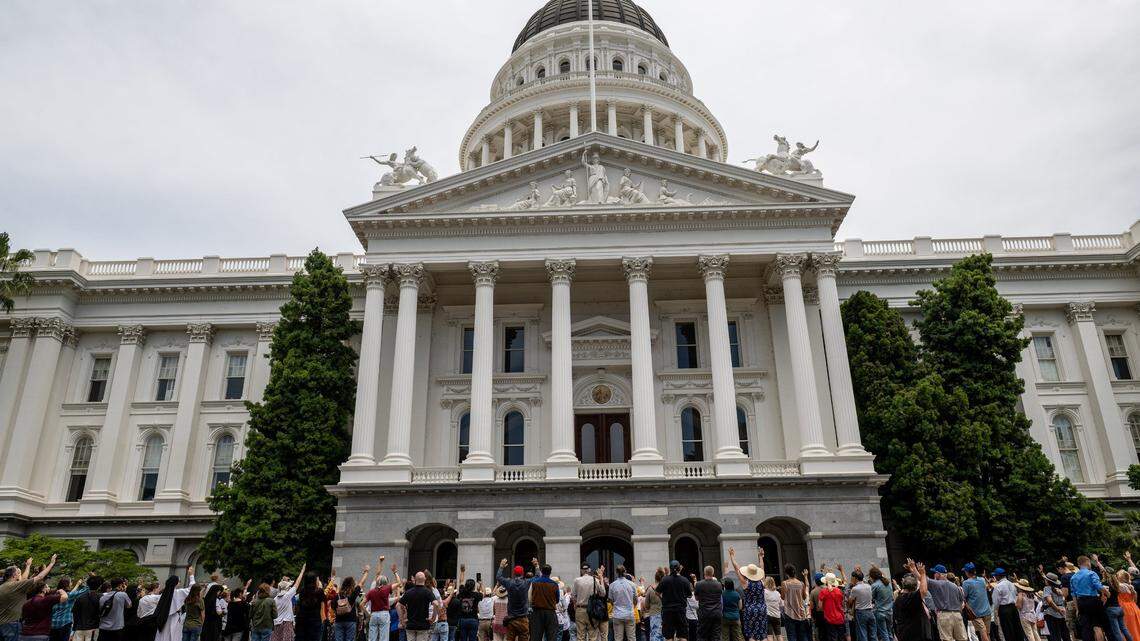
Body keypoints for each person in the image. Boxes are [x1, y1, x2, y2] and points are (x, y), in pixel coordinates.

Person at [0, 555, 59, 641]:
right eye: (19, 573)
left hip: (2, 624)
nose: (20, 575)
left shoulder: (3, 586)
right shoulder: (15, 586)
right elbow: (39, 577)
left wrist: (28, 566)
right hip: (12, 625)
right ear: (14, 575)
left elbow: (23, 580)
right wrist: (51, 563)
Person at [727, 549, 766, 641]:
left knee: (751, 634)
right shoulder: (762, 582)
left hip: (750, 609)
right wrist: (760, 557)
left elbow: (737, 569)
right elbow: (762, 568)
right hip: (762, 608)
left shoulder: (746, 583)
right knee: (762, 634)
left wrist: (732, 556)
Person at [1071, 556, 1110, 641]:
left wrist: (1077, 609)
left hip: (1081, 602)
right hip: (1093, 601)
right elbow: (1098, 586)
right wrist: (1107, 593)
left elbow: (1073, 595)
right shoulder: (1091, 573)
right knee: (1097, 626)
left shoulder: (1073, 577)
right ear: (1087, 562)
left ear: (1078, 564)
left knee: (1086, 628)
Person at [155, 568, 199, 641]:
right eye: (179, 581)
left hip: (163, 619)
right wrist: (191, 575)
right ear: (176, 583)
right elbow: (192, 588)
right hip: (174, 618)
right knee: (172, 636)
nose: (180, 583)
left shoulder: (164, 594)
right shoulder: (177, 593)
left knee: (163, 636)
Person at [398, 572, 442, 641]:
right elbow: (436, 604)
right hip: (423, 625)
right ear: (424, 579)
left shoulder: (409, 592)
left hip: (410, 625)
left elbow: (398, 605)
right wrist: (433, 618)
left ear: (415, 580)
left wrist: (401, 620)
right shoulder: (428, 592)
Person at [926, 565, 966, 641]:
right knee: (962, 639)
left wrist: (915, 570)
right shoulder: (955, 586)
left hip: (944, 615)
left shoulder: (936, 584)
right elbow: (962, 602)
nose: (934, 575)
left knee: (947, 639)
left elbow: (923, 579)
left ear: (939, 574)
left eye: (935, 573)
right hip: (957, 614)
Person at [893, 560, 929, 641]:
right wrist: (923, 573)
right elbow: (923, 591)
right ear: (915, 588)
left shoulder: (898, 598)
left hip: (903, 633)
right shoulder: (911, 597)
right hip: (914, 634)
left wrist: (913, 569)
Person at [655, 562, 691, 641]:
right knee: (683, 635)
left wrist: (663, 598)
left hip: (668, 611)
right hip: (680, 610)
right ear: (679, 569)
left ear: (670, 569)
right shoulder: (684, 580)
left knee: (669, 636)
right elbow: (689, 594)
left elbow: (657, 592)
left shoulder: (665, 579)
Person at [330, 566, 368, 641]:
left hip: (339, 621)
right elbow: (361, 583)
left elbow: (333, 606)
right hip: (351, 621)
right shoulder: (352, 595)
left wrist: (339, 611)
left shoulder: (337, 595)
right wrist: (366, 572)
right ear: (352, 585)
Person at [572, 565, 608, 641]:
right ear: (589, 570)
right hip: (592, 610)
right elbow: (603, 593)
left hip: (580, 609)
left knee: (580, 636)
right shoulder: (595, 580)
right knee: (593, 636)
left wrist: (575, 605)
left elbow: (573, 596)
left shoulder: (577, 580)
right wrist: (601, 579)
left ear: (581, 570)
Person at [272, 563, 307, 641]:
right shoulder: (287, 596)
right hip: (286, 623)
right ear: (287, 588)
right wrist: (302, 571)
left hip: (276, 623)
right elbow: (297, 583)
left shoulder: (275, 599)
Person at [49, 576, 88, 641]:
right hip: (65, 624)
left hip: (53, 624)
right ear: (67, 584)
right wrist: (84, 583)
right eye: (70, 582)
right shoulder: (69, 596)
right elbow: (85, 590)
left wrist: (77, 585)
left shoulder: (53, 595)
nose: (71, 583)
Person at [991, 569, 1024, 641]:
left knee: (1008, 630)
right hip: (1013, 608)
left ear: (998, 576)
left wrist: (996, 612)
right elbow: (1015, 595)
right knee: (1017, 628)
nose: (995, 577)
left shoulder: (998, 586)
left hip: (1004, 609)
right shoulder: (1012, 584)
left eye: (995, 575)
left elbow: (996, 602)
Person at [367, 561, 397, 641]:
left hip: (372, 614)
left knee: (372, 637)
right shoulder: (386, 591)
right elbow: (397, 597)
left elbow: (377, 574)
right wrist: (395, 572)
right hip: (384, 613)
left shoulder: (372, 588)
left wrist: (380, 562)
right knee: (384, 637)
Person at [531, 563, 560, 641]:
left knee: (536, 637)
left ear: (541, 571)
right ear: (550, 572)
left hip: (537, 612)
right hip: (550, 612)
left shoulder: (535, 583)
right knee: (552, 637)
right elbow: (557, 599)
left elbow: (531, 597)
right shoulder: (554, 584)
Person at [962, 564, 991, 641]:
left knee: (983, 633)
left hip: (975, 613)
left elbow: (963, 597)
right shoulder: (982, 579)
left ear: (967, 572)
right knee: (987, 634)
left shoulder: (966, 583)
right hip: (987, 611)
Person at [779, 566, 809, 641]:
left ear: (786, 574)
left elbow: (782, 597)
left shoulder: (785, 583)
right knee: (802, 636)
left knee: (792, 636)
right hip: (801, 612)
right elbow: (804, 597)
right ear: (795, 573)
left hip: (789, 613)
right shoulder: (801, 584)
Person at [693, 566, 723, 641]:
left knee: (702, 636)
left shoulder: (699, 584)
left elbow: (696, 598)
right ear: (713, 573)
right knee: (716, 636)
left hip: (704, 613)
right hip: (716, 613)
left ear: (704, 573)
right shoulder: (719, 584)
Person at [294, 571, 325, 641]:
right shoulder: (319, 592)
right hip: (315, 622)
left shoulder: (302, 591)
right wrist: (323, 621)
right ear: (314, 581)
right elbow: (322, 608)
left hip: (302, 621)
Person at [611, 568, 639, 641]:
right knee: (631, 638)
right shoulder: (632, 584)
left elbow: (611, 600)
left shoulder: (612, 585)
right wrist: (633, 606)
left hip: (617, 614)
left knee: (618, 638)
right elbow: (636, 599)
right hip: (629, 613)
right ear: (625, 572)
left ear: (616, 573)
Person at [72, 575, 104, 641]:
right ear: (99, 586)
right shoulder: (101, 597)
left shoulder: (80, 598)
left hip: (79, 628)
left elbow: (75, 613)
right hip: (94, 628)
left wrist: (74, 628)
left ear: (87, 585)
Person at [846, 570, 873, 641]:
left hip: (860, 613)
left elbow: (850, 601)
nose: (851, 579)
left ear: (855, 578)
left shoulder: (855, 589)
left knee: (862, 634)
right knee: (872, 634)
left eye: (852, 578)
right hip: (870, 611)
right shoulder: (869, 586)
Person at [1041, 572, 1069, 641]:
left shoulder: (1047, 588)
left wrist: (1057, 609)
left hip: (1051, 613)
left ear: (1048, 581)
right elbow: (1064, 599)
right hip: (1061, 614)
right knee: (1064, 633)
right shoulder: (1058, 590)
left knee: (1054, 634)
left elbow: (1049, 601)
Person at [817, 574, 845, 641]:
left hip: (829, 618)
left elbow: (820, 607)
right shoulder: (839, 591)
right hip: (840, 617)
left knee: (832, 638)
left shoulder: (823, 592)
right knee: (841, 638)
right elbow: (842, 604)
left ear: (826, 581)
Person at [452, 576, 480, 641]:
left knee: (463, 639)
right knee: (473, 639)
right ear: (473, 587)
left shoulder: (461, 594)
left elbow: (460, 585)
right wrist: (481, 584)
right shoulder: (476, 595)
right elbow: (483, 594)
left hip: (463, 620)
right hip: (473, 619)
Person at [866, 569, 891, 641]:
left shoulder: (874, 585)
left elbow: (870, 598)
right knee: (890, 632)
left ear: (872, 576)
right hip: (889, 611)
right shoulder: (887, 583)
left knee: (884, 633)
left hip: (880, 611)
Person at [1117, 570, 1140, 641]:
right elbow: (1135, 600)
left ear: (1119, 578)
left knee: (1127, 627)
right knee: (1136, 627)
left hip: (1125, 609)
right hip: (1134, 608)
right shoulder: (1131, 587)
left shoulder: (1119, 586)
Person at [642, 571, 663, 641]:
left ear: (655, 578)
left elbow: (646, 605)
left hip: (654, 614)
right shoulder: (666, 588)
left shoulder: (650, 589)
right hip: (665, 615)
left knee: (654, 635)